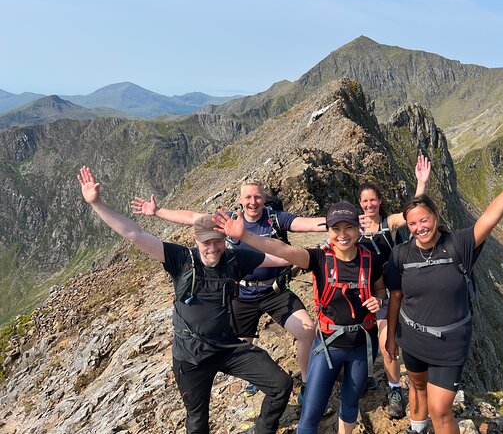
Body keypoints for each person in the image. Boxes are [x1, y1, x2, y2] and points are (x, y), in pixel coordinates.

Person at [78, 166, 292, 434]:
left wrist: (323, 252)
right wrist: (97, 203)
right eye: (206, 243)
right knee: (197, 421)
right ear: (195, 239)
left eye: (218, 242)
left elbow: (280, 257)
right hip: (191, 357)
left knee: (280, 384)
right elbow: (134, 233)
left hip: (228, 347)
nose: (213, 248)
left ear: (225, 239)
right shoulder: (181, 260)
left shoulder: (235, 258)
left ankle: (262, 430)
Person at [130, 180, 325, 398]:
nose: (253, 202)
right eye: (248, 198)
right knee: (243, 346)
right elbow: (191, 218)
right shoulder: (229, 221)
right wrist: (157, 211)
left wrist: (342, 223)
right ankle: (257, 380)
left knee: (307, 331)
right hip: (240, 294)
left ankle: (308, 384)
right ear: (240, 200)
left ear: (264, 198)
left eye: (258, 197)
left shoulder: (275, 219)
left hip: (275, 292)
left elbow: (307, 224)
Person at [384, 148, 503, 434]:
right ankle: (416, 429)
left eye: (424, 220)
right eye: (412, 224)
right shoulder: (400, 254)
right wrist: (391, 337)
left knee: (441, 410)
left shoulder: (458, 244)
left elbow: (490, 217)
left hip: (449, 344)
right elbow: (396, 298)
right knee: (416, 387)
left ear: (435, 217)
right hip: (411, 338)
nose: (419, 228)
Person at [213, 202, 385, 434]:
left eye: (349, 228)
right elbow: (281, 249)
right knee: (311, 413)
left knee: (351, 404)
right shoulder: (319, 258)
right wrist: (245, 235)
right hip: (328, 346)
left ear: (358, 228)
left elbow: (381, 290)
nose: (343, 235)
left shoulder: (372, 259)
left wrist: (379, 301)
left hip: (363, 346)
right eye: (336, 229)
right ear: (328, 230)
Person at [356, 154, 431, 419]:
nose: (369, 205)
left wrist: (421, 183)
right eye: (364, 201)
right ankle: (390, 386)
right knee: (378, 340)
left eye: (373, 200)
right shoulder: (354, 229)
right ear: (360, 204)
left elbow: (412, 213)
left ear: (380, 201)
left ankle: (410, 385)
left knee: (400, 339)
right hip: (372, 295)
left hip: (398, 290)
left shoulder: (389, 223)